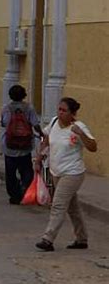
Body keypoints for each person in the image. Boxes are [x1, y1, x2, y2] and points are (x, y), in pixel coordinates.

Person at [35, 97, 97, 252]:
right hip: (56, 171)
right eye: (59, 109)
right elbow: (47, 140)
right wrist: (39, 157)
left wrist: (81, 134)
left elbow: (93, 146)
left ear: (72, 113)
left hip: (73, 173)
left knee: (58, 204)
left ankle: (48, 239)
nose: (60, 113)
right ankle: (81, 238)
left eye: (64, 110)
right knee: (72, 207)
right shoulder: (55, 122)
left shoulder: (78, 127)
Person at [0, 84, 43, 204]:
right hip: (25, 145)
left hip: (9, 146)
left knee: (10, 173)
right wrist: (41, 133)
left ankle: (14, 195)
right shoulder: (29, 108)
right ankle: (24, 189)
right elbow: (35, 124)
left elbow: (3, 123)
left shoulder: (6, 108)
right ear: (24, 95)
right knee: (26, 171)